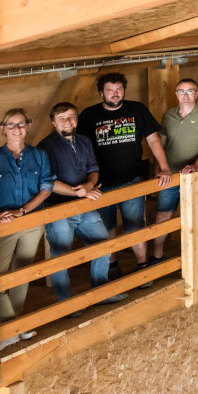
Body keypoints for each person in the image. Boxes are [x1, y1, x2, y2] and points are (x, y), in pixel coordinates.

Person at [77, 72, 171, 287]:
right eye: (110, 90)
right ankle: (113, 265)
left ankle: (142, 266)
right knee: (106, 227)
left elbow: (154, 140)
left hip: (131, 179)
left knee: (134, 225)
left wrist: (164, 167)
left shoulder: (136, 108)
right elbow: (80, 148)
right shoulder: (89, 115)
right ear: (101, 92)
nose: (115, 94)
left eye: (119, 89)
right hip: (101, 185)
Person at [37, 102, 128, 313]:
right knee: (61, 256)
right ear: (53, 123)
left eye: (71, 116)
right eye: (62, 118)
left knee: (103, 245)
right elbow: (48, 182)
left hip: (85, 205)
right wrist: (78, 191)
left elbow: (93, 168)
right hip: (58, 209)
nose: (68, 121)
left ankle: (100, 291)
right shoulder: (45, 147)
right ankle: (66, 304)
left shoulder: (85, 141)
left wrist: (88, 185)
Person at [0, 108, 53, 345]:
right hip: (2, 225)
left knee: (22, 273)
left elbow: (46, 187)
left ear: (28, 126)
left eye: (21, 124)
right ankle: (11, 327)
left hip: (31, 221)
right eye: (11, 125)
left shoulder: (40, 155)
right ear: (2, 129)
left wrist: (24, 211)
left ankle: (12, 328)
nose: (16, 129)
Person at [152, 79, 198, 260]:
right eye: (181, 91)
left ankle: (194, 252)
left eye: (190, 91)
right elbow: (161, 144)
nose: (186, 95)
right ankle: (157, 254)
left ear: (197, 93)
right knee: (162, 215)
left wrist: (197, 165)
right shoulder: (168, 116)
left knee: (197, 214)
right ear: (176, 94)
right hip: (170, 175)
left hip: (195, 176)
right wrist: (157, 168)